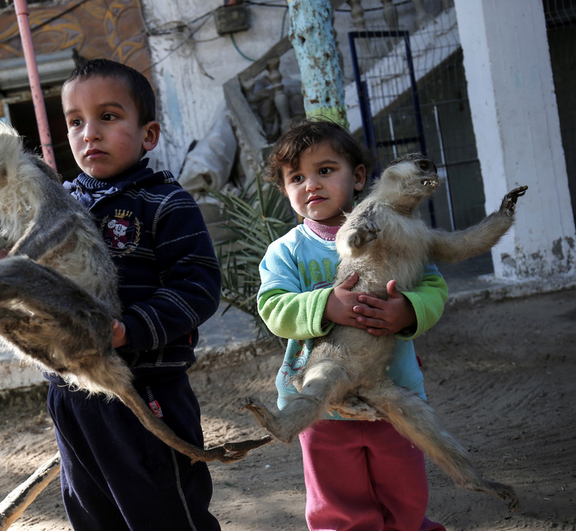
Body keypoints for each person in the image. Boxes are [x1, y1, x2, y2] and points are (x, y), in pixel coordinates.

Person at [46, 58, 222, 531]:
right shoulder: (54, 208)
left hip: (145, 393)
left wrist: (130, 329)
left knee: (165, 515)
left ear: (149, 135)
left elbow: (197, 288)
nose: (90, 133)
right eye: (76, 121)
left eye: (108, 116)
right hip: (73, 395)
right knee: (94, 516)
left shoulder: (165, 204)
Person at [258, 119, 448, 531]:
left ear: (358, 176)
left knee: (407, 498)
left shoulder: (392, 231)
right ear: (285, 191)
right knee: (339, 509)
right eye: (296, 178)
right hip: (322, 409)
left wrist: (409, 310)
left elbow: (433, 284)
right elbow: (273, 308)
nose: (311, 184)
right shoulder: (285, 251)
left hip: (393, 398)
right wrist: (325, 303)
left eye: (325, 171)